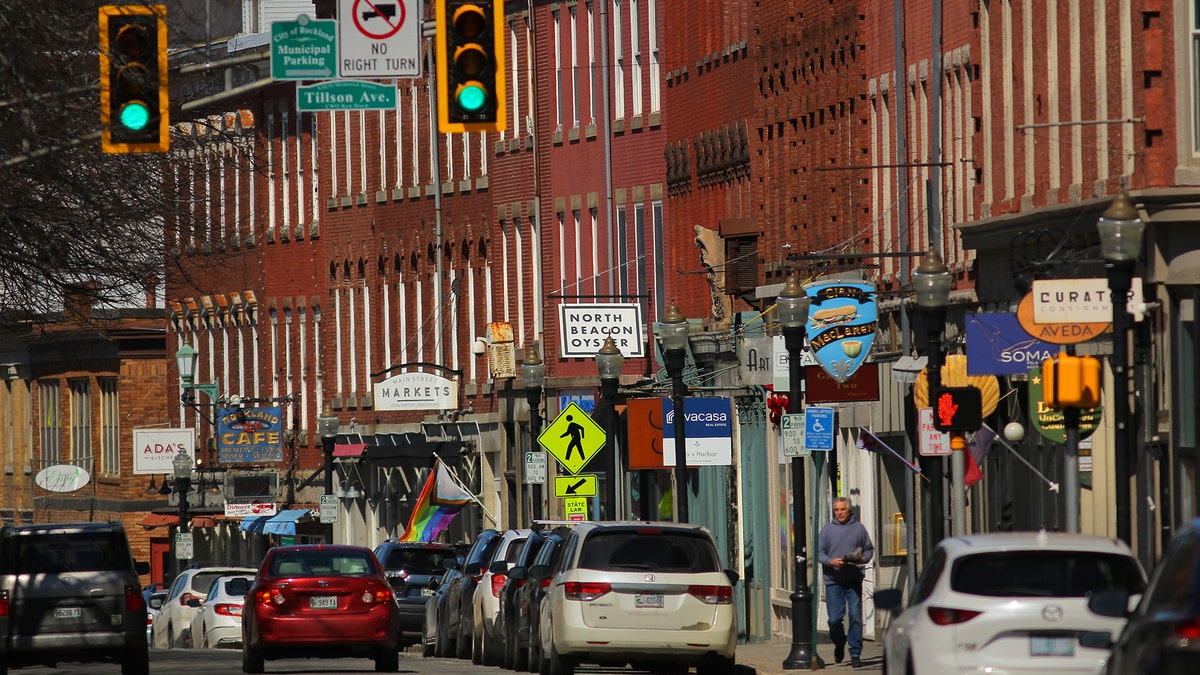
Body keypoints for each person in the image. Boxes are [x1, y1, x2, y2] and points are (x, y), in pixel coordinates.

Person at [818, 496, 874, 668]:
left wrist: (861, 559)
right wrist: (830, 561)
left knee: (856, 616)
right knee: (834, 619)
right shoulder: (827, 530)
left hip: (853, 579)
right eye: (837, 510)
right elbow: (819, 553)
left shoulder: (859, 529)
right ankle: (839, 642)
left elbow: (868, 550)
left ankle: (855, 653)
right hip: (833, 580)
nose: (840, 512)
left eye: (843, 509)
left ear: (849, 510)